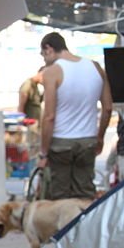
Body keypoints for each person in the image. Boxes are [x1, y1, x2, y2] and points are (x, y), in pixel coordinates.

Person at [39, 32, 113, 200]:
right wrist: (99, 137)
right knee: (85, 194)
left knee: (60, 197)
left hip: (61, 142)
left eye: (42, 55)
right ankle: (85, 224)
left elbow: (49, 116)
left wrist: (43, 152)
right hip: (87, 140)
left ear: (48, 49)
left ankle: (65, 226)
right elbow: (108, 108)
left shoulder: (52, 72)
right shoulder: (95, 67)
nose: (43, 60)